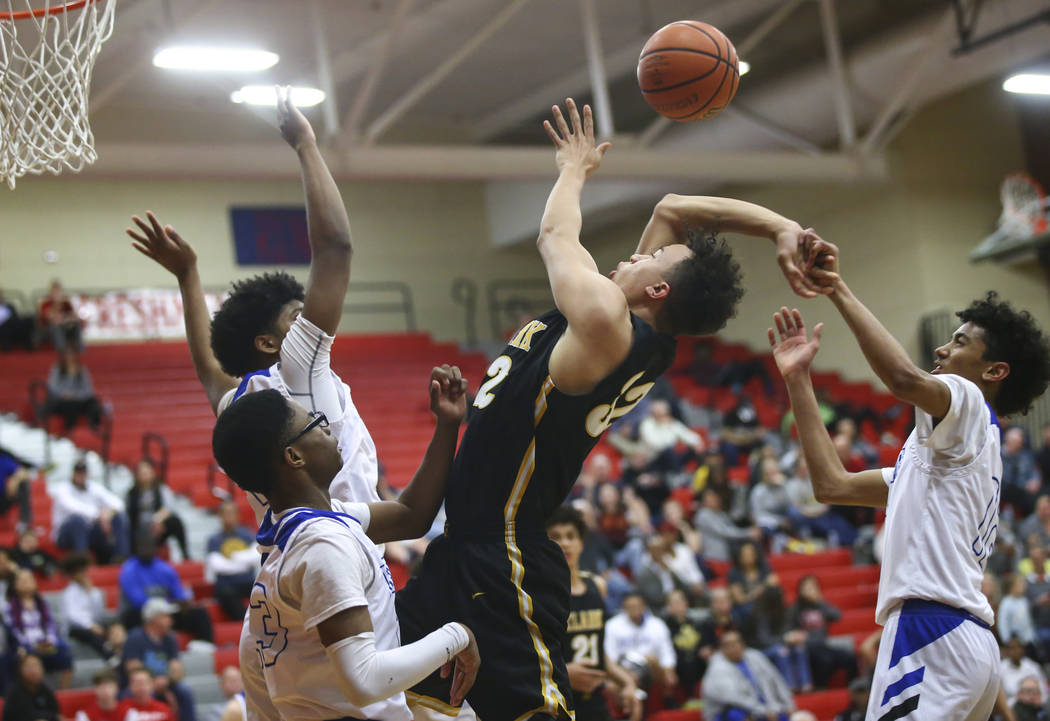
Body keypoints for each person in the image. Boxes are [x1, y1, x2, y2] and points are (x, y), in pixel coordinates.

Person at [397, 96, 821, 719]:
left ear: (655, 290)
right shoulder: (629, 327)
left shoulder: (604, 322)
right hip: (465, 548)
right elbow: (673, 208)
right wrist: (782, 227)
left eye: (650, 258)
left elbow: (553, 234)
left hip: (505, 554)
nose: (636, 251)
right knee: (412, 706)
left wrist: (573, 168)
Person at [769, 232, 1050, 721]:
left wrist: (837, 289)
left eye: (960, 341)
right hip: (967, 642)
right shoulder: (953, 454)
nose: (941, 349)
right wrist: (797, 379)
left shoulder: (966, 403)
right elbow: (831, 485)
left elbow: (901, 380)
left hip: (931, 630)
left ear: (996, 371)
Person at [126, 87, 380, 526]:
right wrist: (306, 146)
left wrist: (188, 276)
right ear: (267, 342)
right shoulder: (299, 372)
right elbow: (335, 248)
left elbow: (209, 372)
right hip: (338, 550)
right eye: (294, 317)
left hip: (288, 554)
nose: (308, 321)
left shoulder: (239, 402)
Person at [211, 374, 481, 721]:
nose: (329, 431)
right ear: (294, 456)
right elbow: (364, 682)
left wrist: (447, 425)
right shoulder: (323, 546)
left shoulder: (304, 529)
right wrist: (456, 636)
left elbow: (410, 515)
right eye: (315, 424)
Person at [546, 505, 641, 721]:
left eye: (571, 536)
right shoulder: (539, 593)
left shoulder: (598, 586)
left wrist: (626, 682)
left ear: (581, 543)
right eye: (556, 536)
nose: (565, 542)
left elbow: (599, 652)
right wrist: (564, 674)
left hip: (596, 702)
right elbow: (529, 655)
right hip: (557, 703)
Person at [118, 534, 213, 641]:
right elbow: (138, 601)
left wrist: (183, 602)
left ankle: (206, 647)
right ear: (137, 548)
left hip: (167, 612)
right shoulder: (129, 569)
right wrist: (165, 608)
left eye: (150, 545)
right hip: (142, 614)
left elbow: (179, 594)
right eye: (143, 546)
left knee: (199, 613)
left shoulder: (164, 568)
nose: (146, 549)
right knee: (132, 617)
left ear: (155, 548)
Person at [122, 598, 196, 721]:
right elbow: (133, 670)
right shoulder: (135, 638)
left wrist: (165, 681)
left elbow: (178, 670)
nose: (171, 620)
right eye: (166, 616)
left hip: (166, 683)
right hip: (140, 685)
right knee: (130, 695)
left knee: (184, 692)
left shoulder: (170, 638)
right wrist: (151, 684)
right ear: (154, 619)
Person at [2, 568, 73, 689]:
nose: (26, 583)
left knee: (65, 651)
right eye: (22, 580)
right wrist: (34, 645)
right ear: (15, 585)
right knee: (22, 656)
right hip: (25, 646)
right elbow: (15, 632)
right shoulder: (9, 607)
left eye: (29, 579)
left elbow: (50, 626)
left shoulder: (42, 604)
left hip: (45, 644)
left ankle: (63, 692)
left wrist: (49, 641)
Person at [700, 629, 795, 721]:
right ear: (721, 649)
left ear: (742, 644)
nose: (734, 647)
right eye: (728, 645)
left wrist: (788, 705)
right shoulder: (717, 668)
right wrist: (764, 711)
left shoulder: (756, 656)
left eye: (736, 643)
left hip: (764, 708)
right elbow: (735, 699)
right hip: (730, 712)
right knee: (734, 713)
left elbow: (777, 681)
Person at [52, 458, 128, 563]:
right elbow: (74, 507)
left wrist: (109, 513)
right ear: (73, 473)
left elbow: (119, 503)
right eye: (78, 472)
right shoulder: (63, 489)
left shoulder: (94, 487)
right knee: (77, 521)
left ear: (87, 473)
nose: (80, 475)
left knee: (120, 517)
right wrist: (99, 514)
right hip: (66, 534)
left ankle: (120, 557)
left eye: (83, 472)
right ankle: (83, 563)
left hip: (89, 531)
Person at [604, 592, 677, 695]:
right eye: (630, 607)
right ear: (624, 608)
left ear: (644, 606)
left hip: (652, 668)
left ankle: (667, 704)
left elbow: (667, 654)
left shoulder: (657, 625)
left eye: (637, 606)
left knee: (666, 672)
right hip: (624, 669)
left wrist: (669, 671)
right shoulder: (612, 626)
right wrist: (625, 673)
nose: (634, 609)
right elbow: (611, 657)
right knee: (611, 684)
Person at [204, 499, 258, 621]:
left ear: (238, 515)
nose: (229, 517)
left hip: (248, 582)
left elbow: (255, 557)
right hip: (226, 585)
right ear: (220, 516)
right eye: (225, 513)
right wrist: (243, 561)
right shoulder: (214, 539)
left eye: (232, 513)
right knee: (226, 595)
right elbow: (218, 565)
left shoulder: (247, 534)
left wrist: (234, 558)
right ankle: (247, 623)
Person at [127, 459, 190, 561]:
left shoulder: (161, 489)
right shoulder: (131, 493)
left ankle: (185, 554)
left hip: (159, 526)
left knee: (175, 522)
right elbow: (130, 514)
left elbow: (169, 508)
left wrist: (157, 520)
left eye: (147, 473)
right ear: (137, 476)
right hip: (140, 528)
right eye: (142, 474)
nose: (145, 476)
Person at [61, 553, 116, 661]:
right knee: (90, 635)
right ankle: (110, 657)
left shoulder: (94, 591)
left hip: (94, 624)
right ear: (73, 574)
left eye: (84, 571)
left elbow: (98, 612)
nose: (84, 574)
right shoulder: (69, 593)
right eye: (80, 572)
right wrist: (89, 625)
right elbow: (72, 616)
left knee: (113, 628)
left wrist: (90, 593)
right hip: (76, 628)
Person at [42, 347, 103, 431]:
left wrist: (75, 395)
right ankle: (69, 430)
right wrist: (65, 394)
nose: (69, 357)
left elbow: (88, 390)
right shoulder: (57, 369)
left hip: (78, 400)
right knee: (69, 405)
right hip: (61, 401)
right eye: (67, 354)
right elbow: (52, 387)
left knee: (93, 402)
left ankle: (94, 426)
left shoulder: (82, 370)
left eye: (71, 354)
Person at [2, 653, 60, 721]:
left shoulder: (46, 689)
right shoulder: (14, 692)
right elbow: (23, 715)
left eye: (36, 666)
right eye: (29, 666)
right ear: (20, 670)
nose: (33, 670)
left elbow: (56, 714)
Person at [1001, 636, 1049, 707]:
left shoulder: (1033, 666)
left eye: (1018, 647)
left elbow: (1043, 691)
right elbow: (1003, 699)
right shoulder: (1001, 669)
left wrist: (1037, 701)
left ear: (1023, 649)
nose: (1016, 651)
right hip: (1014, 708)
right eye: (1012, 649)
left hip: (1036, 705)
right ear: (1007, 651)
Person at [37, 280, 82, 351]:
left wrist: (66, 318)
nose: (56, 294)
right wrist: (56, 306)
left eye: (58, 292)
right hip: (48, 327)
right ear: (50, 293)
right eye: (54, 292)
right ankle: (61, 350)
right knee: (56, 326)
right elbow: (48, 317)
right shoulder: (45, 304)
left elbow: (74, 316)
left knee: (77, 324)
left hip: (65, 325)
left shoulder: (66, 303)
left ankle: (79, 348)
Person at [0, 450, 32, 531]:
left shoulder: (3, 460)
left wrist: (15, 480)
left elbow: (24, 473)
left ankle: (24, 523)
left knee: (23, 483)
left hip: (3, 499)